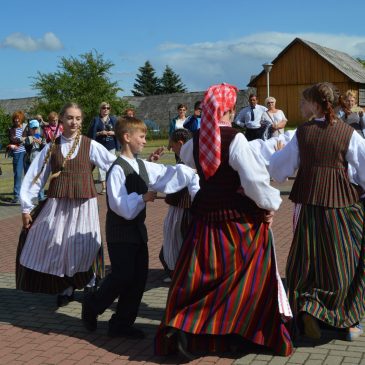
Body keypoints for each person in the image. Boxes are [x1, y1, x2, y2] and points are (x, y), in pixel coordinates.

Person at [155, 83, 293, 359]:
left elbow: (187, 159)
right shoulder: (236, 139)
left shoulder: (194, 141)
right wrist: (270, 204)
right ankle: (241, 330)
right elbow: (253, 180)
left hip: (205, 218)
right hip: (237, 221)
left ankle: (189, 331)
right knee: (247, 276)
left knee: (200, 277)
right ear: (229, 109)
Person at [81, 116, 199, 339]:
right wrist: (142, 198)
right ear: (127, 137)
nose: (145, 141)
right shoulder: (117, 169)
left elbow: (166, 174)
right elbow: (119, 205)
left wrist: (191, 169)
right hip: (120, 232)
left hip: (137, 232)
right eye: (142, 136)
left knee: (137, 279)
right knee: (122, 276)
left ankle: (121, 323)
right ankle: (92, 305)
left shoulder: (141, 165)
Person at [269, 82, 365, 341]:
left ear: (315, 104)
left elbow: (279, 170)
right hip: (340, 207)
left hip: (308, 205)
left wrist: (275, 158)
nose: (300, 106)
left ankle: (308, 307)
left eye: (303, 102)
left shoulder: (302, 132)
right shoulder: (348, 133)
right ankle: (345, 321)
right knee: (344, 260)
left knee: (307, 259)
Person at [16, 102, 117, 307]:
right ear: (61, 119)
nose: (74, 122)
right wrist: (26, 207)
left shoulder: (91, 145)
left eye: (78, 118)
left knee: (86, 244)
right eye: (70, 118)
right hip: (58, 204)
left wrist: (137, 175)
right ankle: (66, 287)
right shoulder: (51, 147)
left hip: (84, 203)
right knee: (57, 243)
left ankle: (89, 283)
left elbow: (115, 167)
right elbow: (35, 177)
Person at [160, 129, 193, 281]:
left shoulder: (189, 159)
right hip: (181, 206)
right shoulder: (188, 158)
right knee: (171, 247)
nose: (170, 148)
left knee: (180, 242)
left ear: (180, 143)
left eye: (172, 145)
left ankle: (180, 274)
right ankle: (177, 272)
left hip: (184, 208)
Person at [88, 101, 119, 194]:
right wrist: (100, 133)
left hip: (111, 145)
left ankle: (111, 185)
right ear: (100, 109)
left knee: (112, 165)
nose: (106, 110)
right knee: (101, 166)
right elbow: (91, 133)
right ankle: (104, 187)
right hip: (100, 146)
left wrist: (113, 133)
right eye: (104, 108)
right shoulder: (96, 119)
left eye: (108, 108)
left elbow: (119, 131)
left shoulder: (113, 119)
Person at [23, 119, 47, 201]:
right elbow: (27, 148)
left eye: (36, 128)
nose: (35, 130)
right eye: (33, 128)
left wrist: (40, 144)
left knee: (39, 180)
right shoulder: (28, 138)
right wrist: (31, 142)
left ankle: (41, 198)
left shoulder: (42, 137)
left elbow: (45, 149)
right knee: (29, 181)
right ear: (29, 129)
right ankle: (28, 199)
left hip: (38, 163)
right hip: (29, 162)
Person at [8, 110, 27, 204]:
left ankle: (28, 194)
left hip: (26, 153)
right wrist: (21, 140)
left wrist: (19, 140)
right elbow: (12, 139)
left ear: (21, 119)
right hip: (17, 153)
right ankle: (16, 195)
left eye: (18, 118)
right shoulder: (11, 129)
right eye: (15, 118)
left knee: (28, 174)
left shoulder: (25, 128)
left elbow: (27, 138)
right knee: (18, 174)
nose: (16, 120)